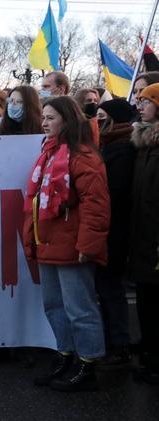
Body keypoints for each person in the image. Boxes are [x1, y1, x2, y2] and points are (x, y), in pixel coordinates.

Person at [23, 96, 109, 392]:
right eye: (43, 117)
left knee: (80, 309)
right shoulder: (48, 153)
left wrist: (88, 244)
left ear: (67, 120)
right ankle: (66, 355)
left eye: (51, 118)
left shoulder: (83, 156)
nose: (44, 123)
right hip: (48, 242)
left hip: (72, 246)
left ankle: (88, 363)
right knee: (54, 306)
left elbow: (96, 205)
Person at [94, 98, 136, 367]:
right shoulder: (107, 145)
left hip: (115, 228)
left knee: (110, 287)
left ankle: (119, 344)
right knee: (104, 287)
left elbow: (115, 190)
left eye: (101, 116)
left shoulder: (123, 149)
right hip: (107, 227)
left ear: (114, 119)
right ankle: (112, 340)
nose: (97, 121)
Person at [129, 82, 159, 384]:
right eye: (139, 101)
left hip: (155, 236)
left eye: (146, 101)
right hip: (143, 233)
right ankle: (149, 348)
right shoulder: (142, 144)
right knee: (146, 296)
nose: (140, 106)